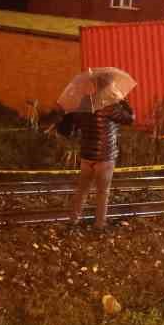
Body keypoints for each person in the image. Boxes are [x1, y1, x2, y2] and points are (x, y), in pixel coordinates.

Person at [56, 78, 135, 230]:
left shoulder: (84, 104)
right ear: (107, 87)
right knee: (102, 193)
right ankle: (99, 224)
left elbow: (74, 126)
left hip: (87, 156)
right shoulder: (111, 105)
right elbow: (129, 120)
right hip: (105, 157)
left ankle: (73, 220)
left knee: (82, 190)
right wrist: (125, 103)